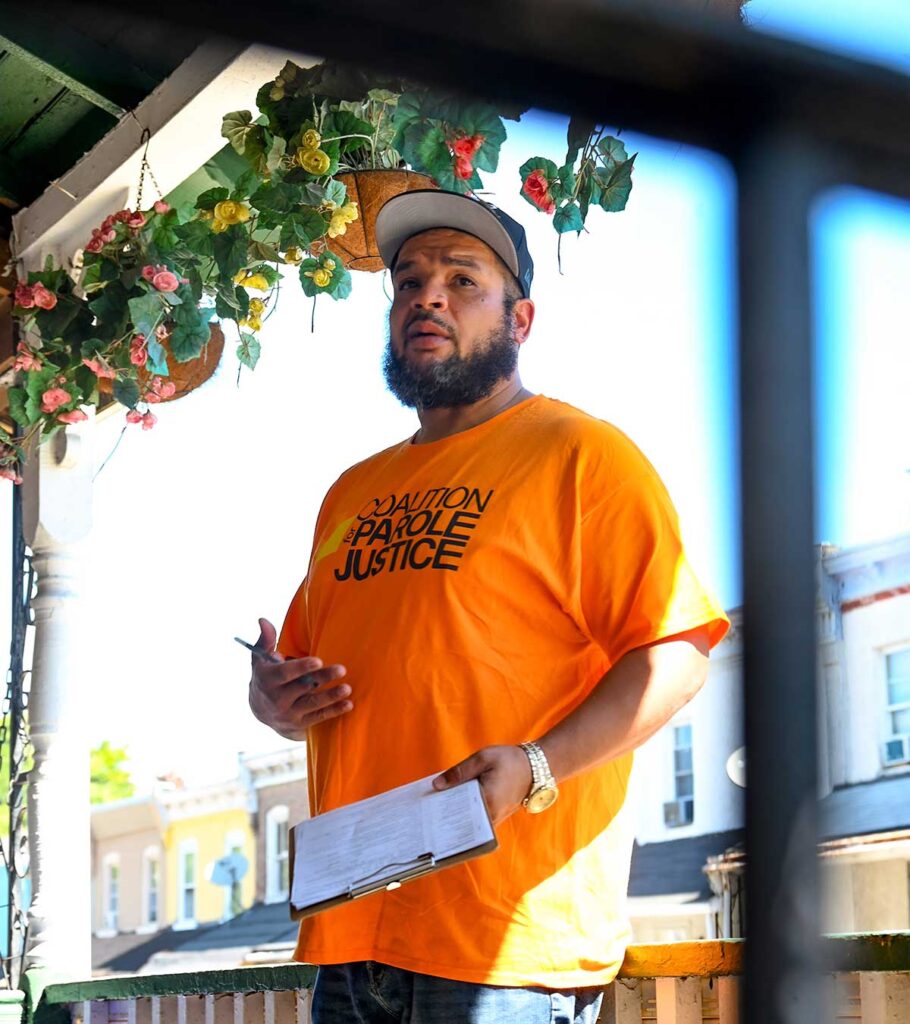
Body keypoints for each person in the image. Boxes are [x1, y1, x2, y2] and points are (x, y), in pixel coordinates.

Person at [248, 190, 729, 1024]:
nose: (427, 297)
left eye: (462, 280)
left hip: (505, 947)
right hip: (350, 929)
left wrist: (536, 766)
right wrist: (274, 699)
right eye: (409, 282)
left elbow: (677, 654)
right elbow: (304, 692)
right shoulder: (351, 492)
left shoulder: (582, 455)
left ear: (521, 319)